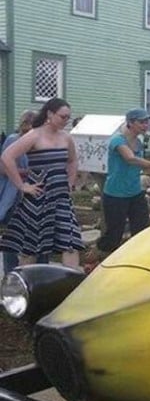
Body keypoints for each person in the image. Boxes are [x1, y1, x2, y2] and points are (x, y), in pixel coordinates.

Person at [0, 98, 84, 269]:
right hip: (38, 197)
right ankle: (24, 284)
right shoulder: (34, 135)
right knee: (31, 246)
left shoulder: (66, 138)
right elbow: (7, 157)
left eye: (68, 117)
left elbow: (73, 160)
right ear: (50, 114)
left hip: (61, 196)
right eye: (62, 117)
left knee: (71, 241)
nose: (65, 121)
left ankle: (70, 284)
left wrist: (70, 182)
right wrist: (22, 185)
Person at [92, 108, 150, 256]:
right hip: (115, 194)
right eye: (141, 122)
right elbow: (130, 159)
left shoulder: (138, 142)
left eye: (147, 122)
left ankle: (137, 258)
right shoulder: (117, 140)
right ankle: (95, 255)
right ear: (130, 123)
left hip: (135, 192)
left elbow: (138, 165)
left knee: (141, 230)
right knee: (114, 235)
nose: (145, 125)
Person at [0, 111, 50, 272]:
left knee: (41, 234)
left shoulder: (43, 141)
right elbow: (3, 167)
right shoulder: (14, 140)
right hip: (15, 194)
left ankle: (41, 271)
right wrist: (26, 172)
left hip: (40, 193)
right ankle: (11, 272)